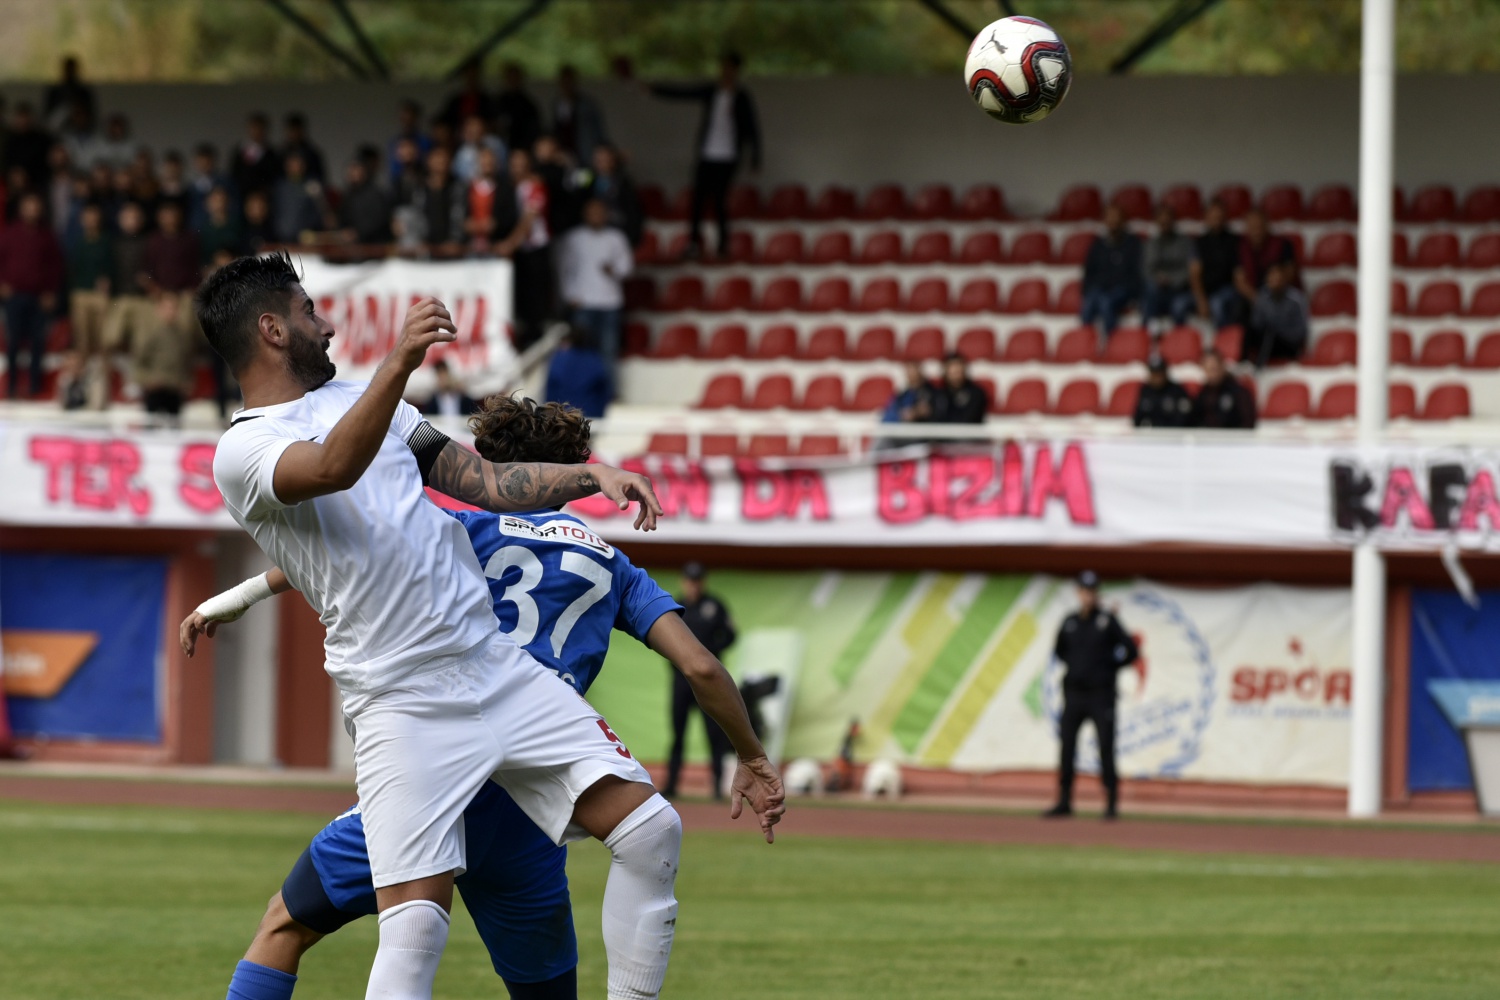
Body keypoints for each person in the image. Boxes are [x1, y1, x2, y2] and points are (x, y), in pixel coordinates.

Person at [193, 250, 707, 1000]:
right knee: (415, 931)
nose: (326, 325)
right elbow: (333, 468)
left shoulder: (378, 406)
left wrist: (589, 477)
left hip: (493, 663)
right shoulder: (243, 450)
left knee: (653, 831)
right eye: (309, 312)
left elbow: (486, 483)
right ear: (271, 330)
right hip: (399, 696)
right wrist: (399, 361)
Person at [1043, 570, 1138, 821]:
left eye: (1092, 591)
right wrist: (1077, 668)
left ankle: (1111, 803)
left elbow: (1131, 650)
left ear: (1097, 593)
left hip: (1100, 695)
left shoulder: (1107, 621)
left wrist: (1110, 667)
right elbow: (1060, 651)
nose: (1088, 595)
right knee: (1067, 747)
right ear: (1078, 593)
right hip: (1074, 695)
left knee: (1105, 747)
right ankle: (1064, 801)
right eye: (1084, 591)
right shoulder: (1070, 621)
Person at [649, 52, 761, 260]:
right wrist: (656, 89)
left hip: (728, 156)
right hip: (707, 154)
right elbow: (685, 93)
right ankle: (694, 243)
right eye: (724, 67)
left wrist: (756, 157)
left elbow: (752, 127)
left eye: (730, 68)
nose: (726, 72)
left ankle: (723, 245)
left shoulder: (741, 97)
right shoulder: (712, 91)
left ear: (736, 71)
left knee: (719, 200)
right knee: (698, 199)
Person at [665, 562, 738, 800]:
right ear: (683, 581)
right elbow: (662, 638)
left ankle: (717, 786)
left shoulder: (714, 606)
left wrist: (710, 654)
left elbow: (731, 634)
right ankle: (671, 784)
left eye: (697, 581)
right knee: (678, 733)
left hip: (707, 682)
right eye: (690, 580)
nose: (694, 585)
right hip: (682, 679)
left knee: (714, 732)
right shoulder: (675, 606)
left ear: (702, 582)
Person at [0, 191, 64, 398]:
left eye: (35, 207)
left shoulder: (47, 235)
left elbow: (56, 266)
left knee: (38, 342)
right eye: (28, 207)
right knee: (13, 341)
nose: (32, 211)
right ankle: (11, 385)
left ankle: (35, 386)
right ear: (21, 209)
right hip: (14, 297)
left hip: (39, 298)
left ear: (41, 210)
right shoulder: (9, 233)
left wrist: (51, 292)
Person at [558, 197, 632, 364]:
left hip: (610, 302)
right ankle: (582, 382)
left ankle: (606, 382)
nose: (596, 216)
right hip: (583, 302)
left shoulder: (616, 237)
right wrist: (568, 295)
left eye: (599, 212)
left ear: (606, 215)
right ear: (585, 215)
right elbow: (565, 269)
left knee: (608, 350)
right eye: (592, 213)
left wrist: (614, 270)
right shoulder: (574, 238)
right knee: (581, 350)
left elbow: (627, 268)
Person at [499, 148, 552, 350]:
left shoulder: (536, 186)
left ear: (529, 165)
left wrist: (510, 244)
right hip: (519, 251)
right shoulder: (510, 187)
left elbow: (529, 219)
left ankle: (535, 338)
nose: (517, 168)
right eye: (514, 164)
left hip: (535, 249)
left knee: (535, 297)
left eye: (521, 164)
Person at [65, 200, 112, 407]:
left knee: (103, 343)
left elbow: (111, 265)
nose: (91, 220)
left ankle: (102, 393)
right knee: (82, 342)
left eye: (94, 216)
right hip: (80, 293)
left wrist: (107, 280)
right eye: (87, 217)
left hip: (99, 295)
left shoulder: (106, 240)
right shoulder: (76, 240)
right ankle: (80, 391)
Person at [1079, 202, 1142, 344]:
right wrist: (1089, 290)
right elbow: (1089, 272)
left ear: (1123, 220)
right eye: (1109, 217)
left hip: (1123, 289)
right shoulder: (1097, 245)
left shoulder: (1133, 244)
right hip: (1100, 288)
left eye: (1116, 217)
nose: (1113, 221)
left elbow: (1136, 274)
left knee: (1105, 303)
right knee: (1088, 304)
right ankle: (1085, 344)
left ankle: (1112, 344)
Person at [569, 143, 643, 247]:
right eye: (599, 159)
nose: (603, 163)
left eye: (606, 159)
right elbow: (576, 194)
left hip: (616, 225)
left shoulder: (622, 181)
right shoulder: (588, 176)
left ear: (613, 160)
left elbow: (631, 209)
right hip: (589, 226)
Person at [1140, 204, 1196, 333]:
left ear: (1173, 220)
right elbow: (1147, 270)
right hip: (1158, 290)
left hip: (1180, 290)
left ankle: (1178, 340)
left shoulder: (1185, 242)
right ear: (1157, 221)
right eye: (1161, 219)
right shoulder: (1151, 243)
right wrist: (1158, 278)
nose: (1164, 222)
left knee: (1179, 306)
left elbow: (1190, 269)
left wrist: (1171, 280)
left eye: (1167, 218)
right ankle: (1149, 334)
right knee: (1148, 293)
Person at [1190, 199, 1243, 329]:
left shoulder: (1235, 241)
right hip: (1206, 290)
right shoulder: (1200, 242)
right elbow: (1194, 274)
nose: (1216, 220)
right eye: (1213, 216)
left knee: (1217, 304)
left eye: (1219, 216)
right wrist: (1201, 300)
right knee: (1179, 305)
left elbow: (1239, 273)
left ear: (1225, 217)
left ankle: (1222, 338)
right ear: (1206, 217)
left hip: (1227, 289)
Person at [1246, 261, 1309, 369]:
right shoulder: (1262, 297)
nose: (1274, 280)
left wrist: (1280, 330)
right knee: (1248, 330)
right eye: (1271, 276)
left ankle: (1259, 368)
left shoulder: (1296, 299)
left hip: (1288, 343)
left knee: (1270, 334)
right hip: (1267, 341)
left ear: (1284, 278)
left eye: (1277, 276)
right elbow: (1255, 324)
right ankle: (1245, 363)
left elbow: (1301, 331)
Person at [543, 328, 612, 418]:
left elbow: (550, 392)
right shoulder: (596, 361)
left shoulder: (558, 359)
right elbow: (604, 394)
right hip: (589, 416)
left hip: (561, 417)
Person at [1234, 208, 1298, 302]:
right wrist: (1259, 300)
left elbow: (1289, 273)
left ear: (1267, 226)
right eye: (1252, 227)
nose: (1257, 231)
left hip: (1280, 294)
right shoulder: (1240, 247)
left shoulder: (1282, 244)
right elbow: (1240, 280)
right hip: (1252, 297)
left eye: (1259, 226)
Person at [552, 65, 607, 165]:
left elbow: (598, 131)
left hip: (585, 152)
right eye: (564, 81)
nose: (567, 85)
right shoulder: (558, 104)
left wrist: (599, 148)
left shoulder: (587, 105)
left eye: (569, 81)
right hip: (565, 154)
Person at [336, 150, 393, 245]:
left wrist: (358, 232)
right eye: (351, 169)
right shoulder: (347, 195)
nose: (353, 173)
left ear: (365, 171)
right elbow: (343, 219)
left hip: (374, 244)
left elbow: (379, 220)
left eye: (357, 169)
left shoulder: (375, 193)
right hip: (353, 245)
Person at [1191, 347, 1257, 428]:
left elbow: (1248, 423)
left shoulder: (1238, 393)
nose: (1212, 374)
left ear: (1222, 366)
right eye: (1208, 369)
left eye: (1214, 369)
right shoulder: (1203, 395)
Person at [270, 151, 326, 244]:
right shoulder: (279, 186)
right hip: (281, 236)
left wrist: (311, 228)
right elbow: (274, 210)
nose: (296, 167)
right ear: (286, 166)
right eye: (292, 164)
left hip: (305, 237)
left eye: (299, 164)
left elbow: (319, 210)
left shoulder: (312, 185)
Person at [1131, 355, 1192, 428]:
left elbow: (1185, 418)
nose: (1157, 377)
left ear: (1165, 373)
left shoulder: (1177, 391)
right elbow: (1137, 418)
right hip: (1152, 432)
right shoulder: (1146, 391)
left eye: (1159, 373)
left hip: (1173, 432)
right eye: (1154, 373)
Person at [495, 62, 542, 156]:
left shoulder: (528, 105)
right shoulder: (498, 102)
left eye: (515, 77)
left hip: (522, 148)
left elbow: (533, 130)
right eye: (510, 77)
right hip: (500, 147)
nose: (512, 81)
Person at [929, 353, 989, 424]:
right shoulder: (937, 394)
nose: (956, 372)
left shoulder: (976, 393)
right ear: (945, 371)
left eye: (958, 368)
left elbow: (970, 418)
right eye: (952, 368)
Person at [231, 113, 281, 196]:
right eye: (254, 128)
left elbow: (273, 177)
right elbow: (234, 174)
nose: (257, 132)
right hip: (242, 195)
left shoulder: (271, 153)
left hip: (263, 197)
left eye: (260, 128)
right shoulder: (240, 150)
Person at [441, 61, 496, 133]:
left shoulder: (486, 100)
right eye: (468, 76)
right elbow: (447, 120)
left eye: (473, 76)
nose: (470, 79)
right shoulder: (455, 100)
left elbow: (492, 120)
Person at [43, 55, 95, 131]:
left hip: (82, 133)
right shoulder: (54, 92)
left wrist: (77, 113)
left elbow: (90, 117)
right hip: (57, 131)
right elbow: (48, 119)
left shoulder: (83, 93)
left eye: (72, 69)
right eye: (68, 69)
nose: (70, 72)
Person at [452, 114, 506, 186]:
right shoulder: (463, 153)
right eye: (471, 127)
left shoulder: (495, 143)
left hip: (496, 184)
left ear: (483, 127)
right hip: (471, 187)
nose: (475, 130)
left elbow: (504, 166)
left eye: (477, 126)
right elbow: (460, 176)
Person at [280, 113, 326, 186]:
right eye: (292, 130)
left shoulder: (312, 154)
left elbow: (319, 178)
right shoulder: (281, 153)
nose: (294, 134)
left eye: (297, 130)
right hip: (285, 188)